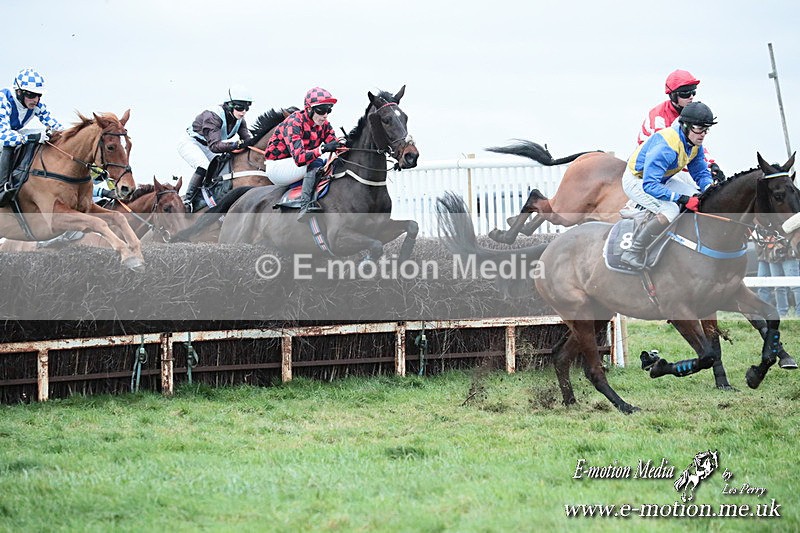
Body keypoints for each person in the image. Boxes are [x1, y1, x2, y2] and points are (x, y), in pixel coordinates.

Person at [619, 102, 716, 269]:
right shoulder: (666, 147)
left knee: (699, 198)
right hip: (638, 181)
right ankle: (633, 251)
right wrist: (681, 199)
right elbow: (650, 185)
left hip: (662, 179)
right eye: (699, 128)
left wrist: (709, 189)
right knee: (671, 209)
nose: (703, 134)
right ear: (685, 126)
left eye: (706, 129)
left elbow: (700, 172)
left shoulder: (694, 143)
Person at [264, 87, 346, 221]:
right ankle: (305, 205)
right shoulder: (294, 122)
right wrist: (323, 149)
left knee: (331, 164)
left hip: (298, 166)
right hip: (278, 167)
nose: (325, 115)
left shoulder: (324, 124)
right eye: (321, 110)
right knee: (317, 162)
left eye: (328, 110)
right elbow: (300, 158)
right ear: (309, 109)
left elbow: (336, 146)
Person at [637, 69, 724, 182]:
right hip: (651, 163)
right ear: (673, 96)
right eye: (686, 94)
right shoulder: (659, 117)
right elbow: (667, 150)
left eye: (693, 93)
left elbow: (695, 146)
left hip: (673, 159)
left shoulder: (689, 114)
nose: (691, 97)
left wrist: (712, 165)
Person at [177, 85, 255, 211]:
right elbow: (214, 146)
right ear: (229, 105)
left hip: (208, 145)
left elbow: (248, 140)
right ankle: (188, 200)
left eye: (247, 108)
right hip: (191, 142)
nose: (243, 112)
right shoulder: (213, 116)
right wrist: (236, 145)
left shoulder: (240, 119)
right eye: (240, 107)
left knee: (222, 165)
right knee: (203, 165)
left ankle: (209, 192)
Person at [0, 67, 64, 206]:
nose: (35, 100)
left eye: (38, 95)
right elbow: (4, 136)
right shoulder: (3, 99)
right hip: (2, 135)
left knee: (45, 134)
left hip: (12, 133)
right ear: (18, 92)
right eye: (30, 95)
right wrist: (29, 138)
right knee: (9, 144)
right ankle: (2, 188)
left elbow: (55, 126)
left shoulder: (37, 105)